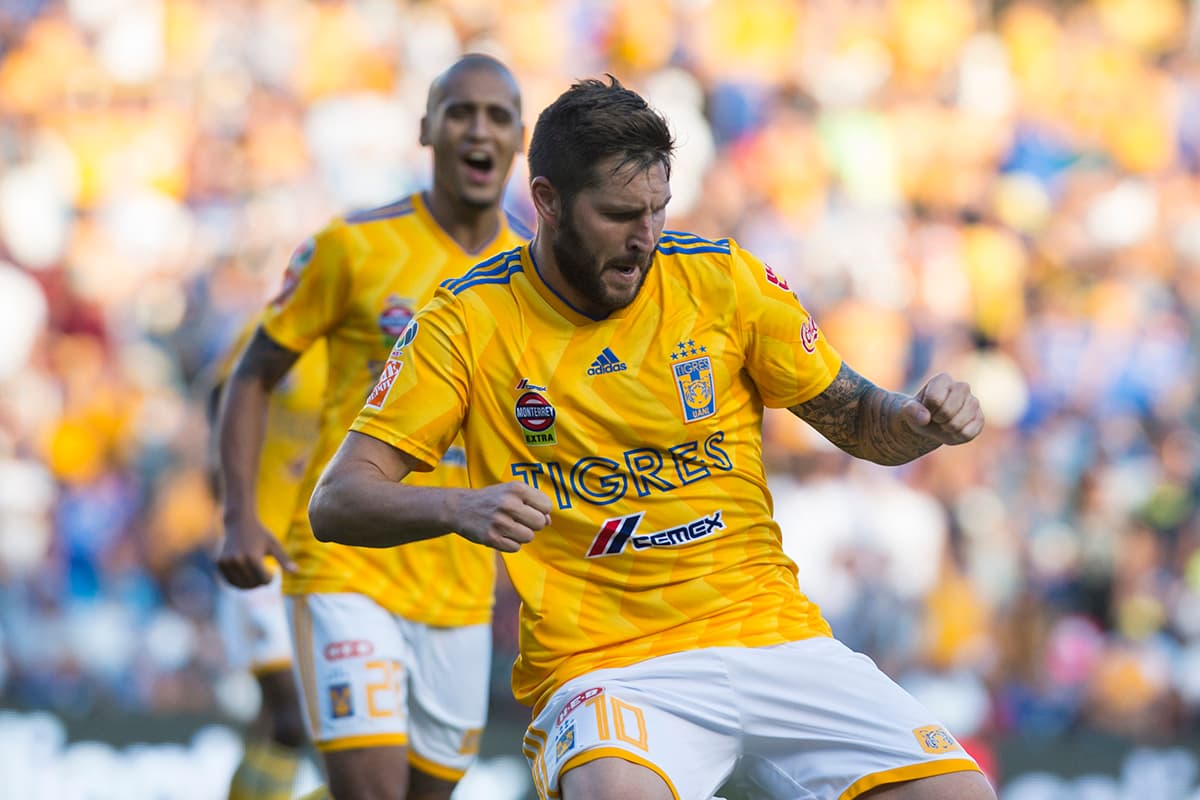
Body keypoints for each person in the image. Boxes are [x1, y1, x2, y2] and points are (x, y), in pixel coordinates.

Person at [308, 76, 996, 800]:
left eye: (657, 210)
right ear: (546, 201)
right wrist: (458, 508)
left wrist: (918, 423)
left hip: (772, 634)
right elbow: (340, 499)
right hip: (606, 665)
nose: (645, 238)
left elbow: (858, 418)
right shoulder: (468, 322)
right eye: (617, 215)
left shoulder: (721, 282)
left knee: (960, 796)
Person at [215, 54, 528, 800]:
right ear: (427, 129)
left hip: (458, 584)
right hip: (343, 564)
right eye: (459, 112)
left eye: (498, 116)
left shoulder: (535, 273)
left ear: (521, 141)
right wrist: (238, 515)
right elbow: (249, 374)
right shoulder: (352, 247)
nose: (477, 129)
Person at [208, 317, 325, 800]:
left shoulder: (376, 341)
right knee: (291, 716)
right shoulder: (275, 331)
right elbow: (223, 390)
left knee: (277, 721)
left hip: (324, 560)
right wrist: (220, 472)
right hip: (262, 552)